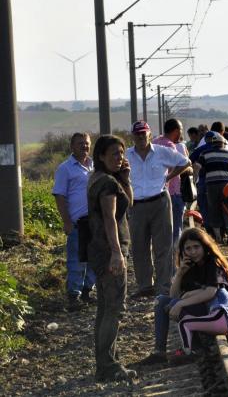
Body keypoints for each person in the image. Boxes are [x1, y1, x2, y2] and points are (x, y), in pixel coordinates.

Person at [139, 228, 228, 365]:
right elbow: (174, 295)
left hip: (221, 311)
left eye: (196, 247)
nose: (193, 252)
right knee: (161, 301)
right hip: (205, 307)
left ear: (204, 246)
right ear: (183, 251)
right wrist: (180, 273)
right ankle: (159, 352)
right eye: (188, 248)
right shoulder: (190, 265)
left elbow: (211, 292)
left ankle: (195, 349)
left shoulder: (213, 263)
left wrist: (180, 304)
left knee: (179, 305)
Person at [86, 134, 135, 382]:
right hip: (108, 252)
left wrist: (124, 179)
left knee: (105, 307)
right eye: (114, 154)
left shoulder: (102, 179)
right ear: (101, 156)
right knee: (114, 308)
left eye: (122, 153)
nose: (120, 158)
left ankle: (107, 362)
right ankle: (108, 365)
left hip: (100, 250)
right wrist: (116, 253)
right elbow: (109, 218)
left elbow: (130, 203)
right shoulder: (105, 183)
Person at [127, 121, 191, 297]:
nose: (141, 137)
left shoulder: (161, 152)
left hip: (160, 202)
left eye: (143, 133)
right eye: (137, 134)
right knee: (140, 247)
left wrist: (169, 176)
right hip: (137, 205)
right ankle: (145, 286)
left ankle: (164, 286)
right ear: (133, 136)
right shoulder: (127, 155)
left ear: (149, 134)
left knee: (163, 247)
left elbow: (185, 162)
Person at [52, 132, 96, 311]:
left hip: (95, 222)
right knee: (77, 261)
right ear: (72, 147)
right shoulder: (65, 168)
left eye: (86, 143)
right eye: (80, 144)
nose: (84, 146)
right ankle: (74, 295)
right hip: (77, 223)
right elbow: (60, 196)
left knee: (93, 259)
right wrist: (67, 222)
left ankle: (87, 291)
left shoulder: (95, 165)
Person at [194, 132, 228, 244]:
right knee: (227, 209)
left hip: (211, 184)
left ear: (212, 144)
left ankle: (218, 237)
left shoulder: (205, 153)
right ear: (223, 144)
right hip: (226, 185)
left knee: (214, 209)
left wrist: (195, 180)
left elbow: (197, 167)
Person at [153, 118, 190, 244]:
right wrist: (168, 177)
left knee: (161, 229)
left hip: (156, 192)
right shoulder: (170, 145)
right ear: (176, 131)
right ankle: (175, 260)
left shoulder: (155, 142)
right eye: (181, 130)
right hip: (172, 192)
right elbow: (184, 163)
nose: (181, 133)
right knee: (175, 229)